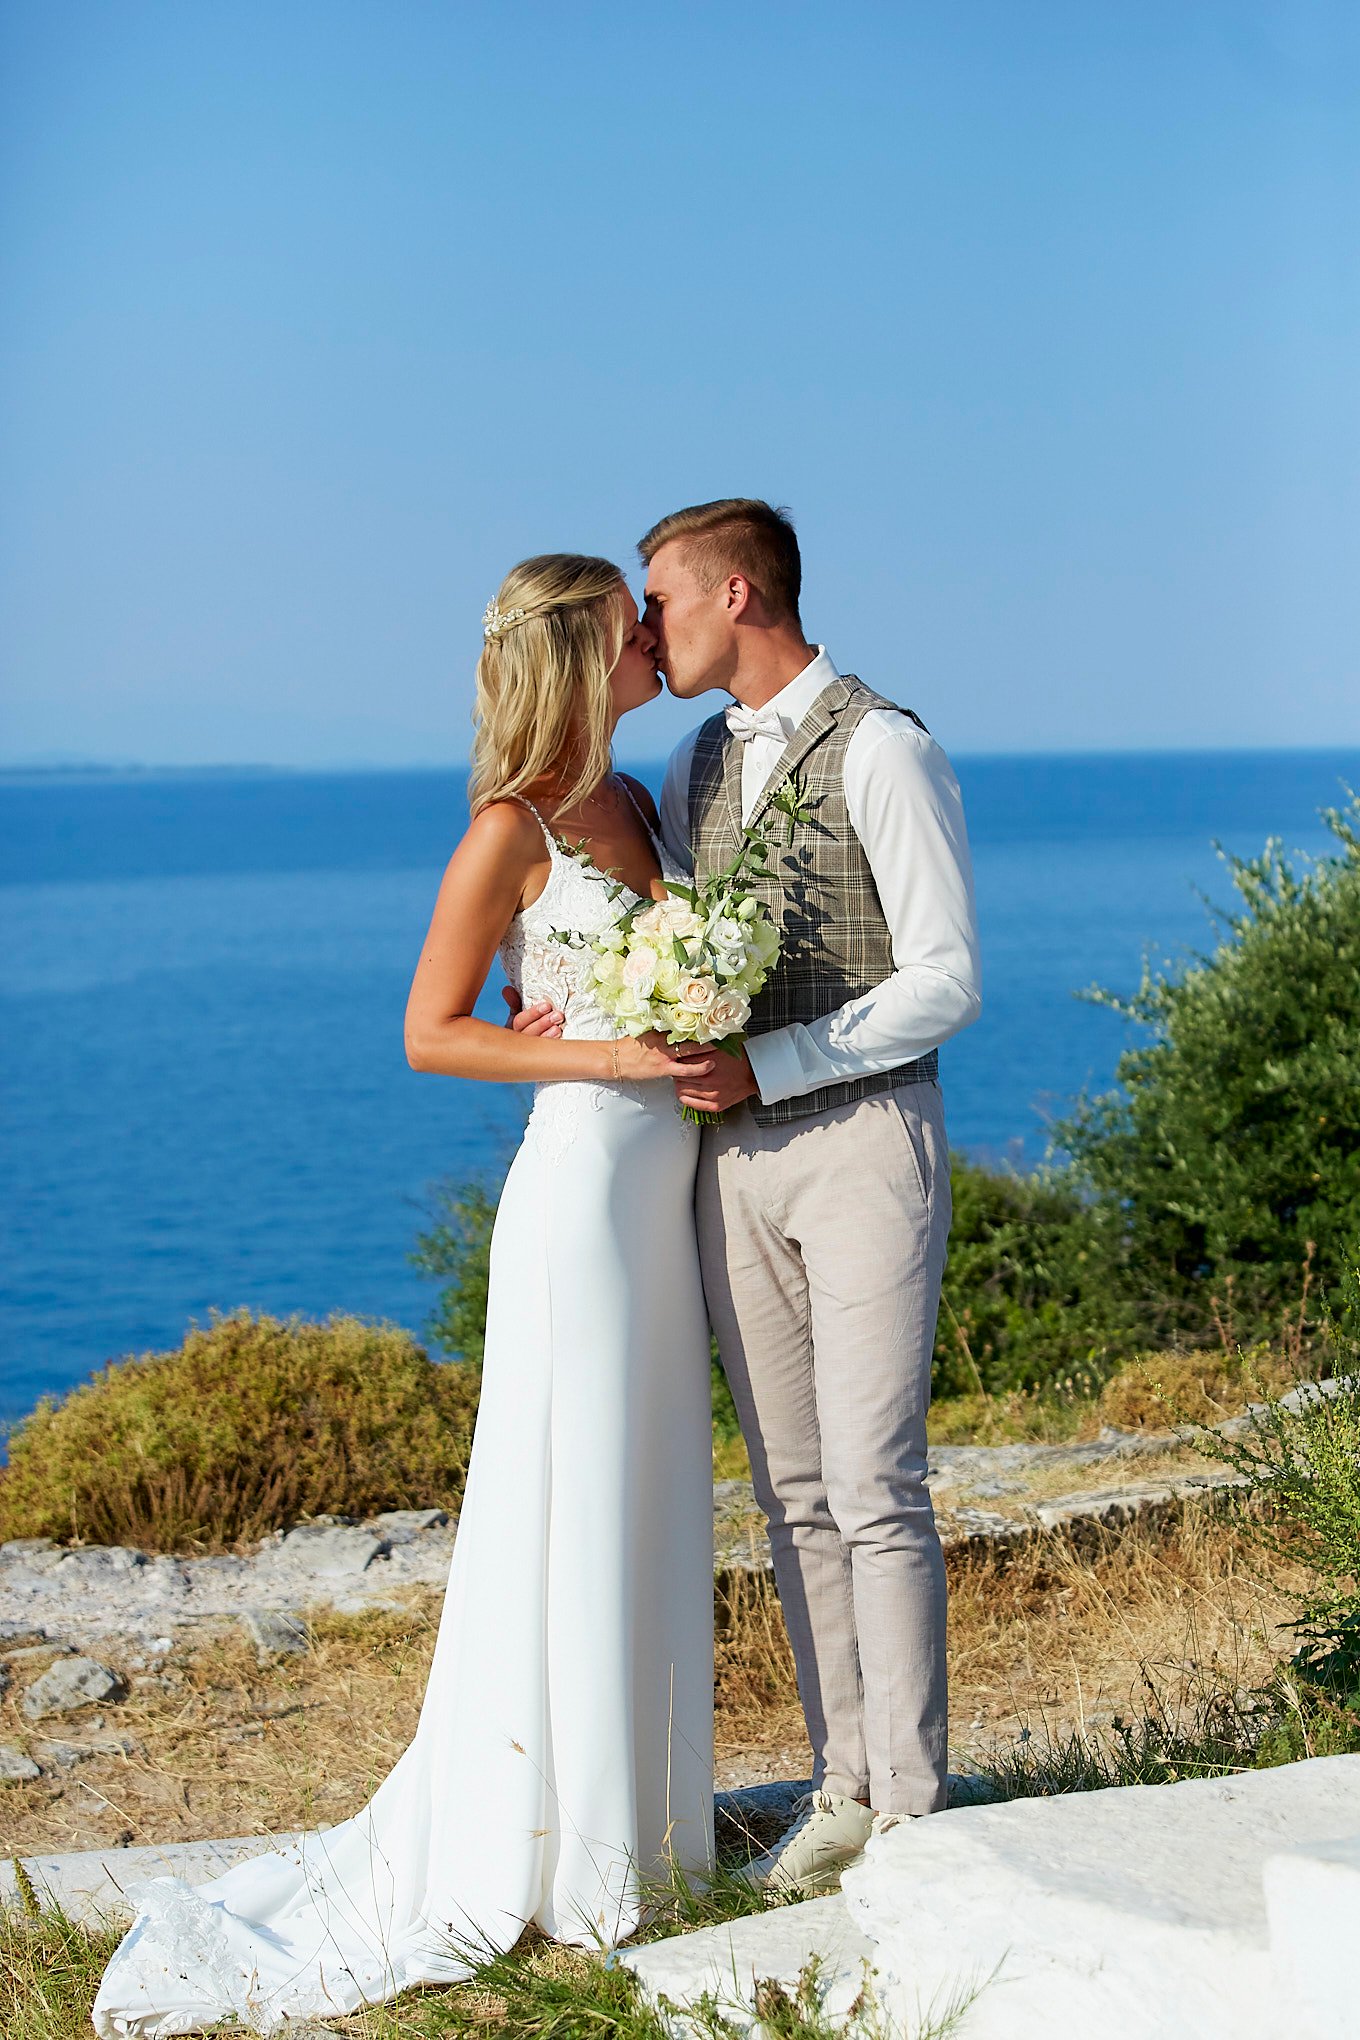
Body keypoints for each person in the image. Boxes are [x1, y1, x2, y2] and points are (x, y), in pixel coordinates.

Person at [93, 555, 716, 2035]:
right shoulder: (507, 831)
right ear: (578, 656)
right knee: (564, 1498)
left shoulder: (640, 806)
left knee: (645, 1492)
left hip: (662, 1194)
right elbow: (434, 1034)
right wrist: (604, 1055)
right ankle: (563, 1857)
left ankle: (648, 1834)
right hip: (578, 1195)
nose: (651, 637)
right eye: (628, 625)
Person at [521, 500, 982, 1895]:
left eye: (659, 599)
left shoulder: (886, 746)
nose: (647, 629)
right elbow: (645, 940)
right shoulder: (690, 763)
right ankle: (842, 1782)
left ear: (737, 591)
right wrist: (556, 1004)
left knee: (872, 1480)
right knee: (791, 1491)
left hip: (859, 1141)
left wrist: (770, 1065)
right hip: (731, 1163)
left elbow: (948, 979)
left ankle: (909, 1798)